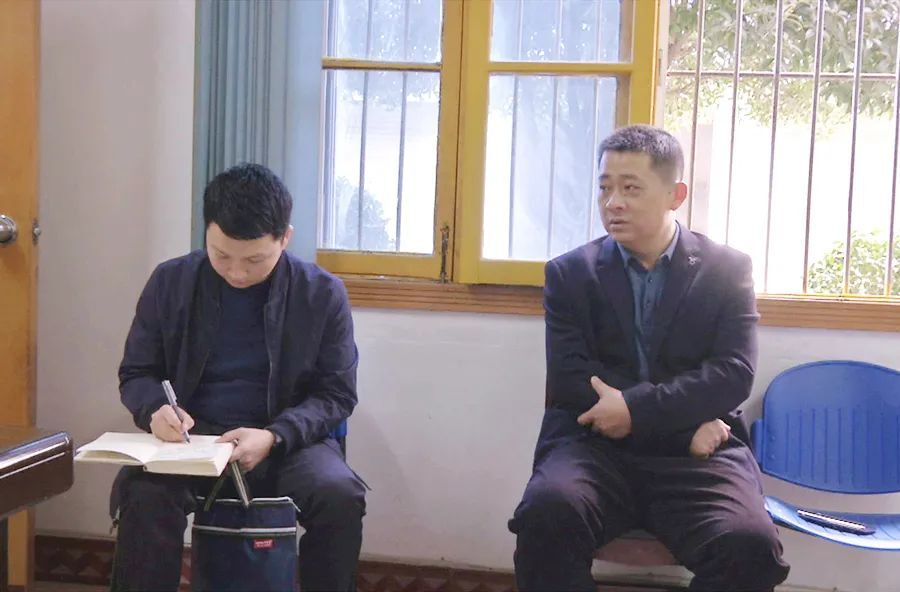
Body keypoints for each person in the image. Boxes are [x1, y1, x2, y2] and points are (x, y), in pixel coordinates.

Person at [509, 125, 790, 592]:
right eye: (605, 188)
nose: (613, 202)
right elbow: (571, 377)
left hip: (699, 461)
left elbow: (732, 374)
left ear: (675, 195)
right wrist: (678, 429)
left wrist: (635, 412)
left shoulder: (726, 270)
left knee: (749, 545)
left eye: (630, 188)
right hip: (598, 446)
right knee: (545, 515)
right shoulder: (570, 273)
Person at [110, 163, 366, 592]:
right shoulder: (171, 282)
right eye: (221, 255)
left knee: (339, 495)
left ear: (285, 238)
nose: (236, 273)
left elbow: (336, 394)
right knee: (143, 494)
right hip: (193, 442)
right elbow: (137, 372)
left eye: (254, 260)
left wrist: (275, 435)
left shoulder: (322, 293)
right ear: (206, 232)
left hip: (287, 440)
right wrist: (155, 410)